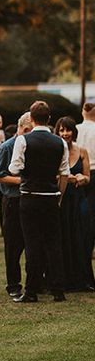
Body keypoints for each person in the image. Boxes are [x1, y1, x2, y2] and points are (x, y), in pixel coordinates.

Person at [9, 100, 69, 303]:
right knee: (54, 244)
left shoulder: (23, 140)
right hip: (51, 198)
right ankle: (58, 289)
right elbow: (65, 173)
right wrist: (59, 196)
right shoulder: (59, 142)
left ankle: (31, 291)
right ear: (49, 119)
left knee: (32, 244)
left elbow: (14, 168)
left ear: (31, 119)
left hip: (30, 197)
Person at [0, 112, 33, 299]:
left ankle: (35, 282)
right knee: (13, 245)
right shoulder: (6, 147)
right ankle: (13, 284)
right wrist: (21, 181)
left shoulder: (31, 145)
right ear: (24, 129)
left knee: (32, 243)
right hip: (12, 201)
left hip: (30, 199)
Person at [55, 116, 95, 292]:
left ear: (74, 131)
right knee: (64, 237)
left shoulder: (83, 151)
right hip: (61, 199)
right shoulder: (54, 151)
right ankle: (64, 280)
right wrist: (64, 178)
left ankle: (83, 279)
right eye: (62, 130)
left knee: (82, 237)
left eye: (68, 130)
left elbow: (87, 177)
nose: (65, 133)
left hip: (79, 198)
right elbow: (50, 175)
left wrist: (81, 178)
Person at [77, 102, 95, 262]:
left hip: (76, 172)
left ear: (83, 112)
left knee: (81, 211)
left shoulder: (75, 129)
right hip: (93, 172)